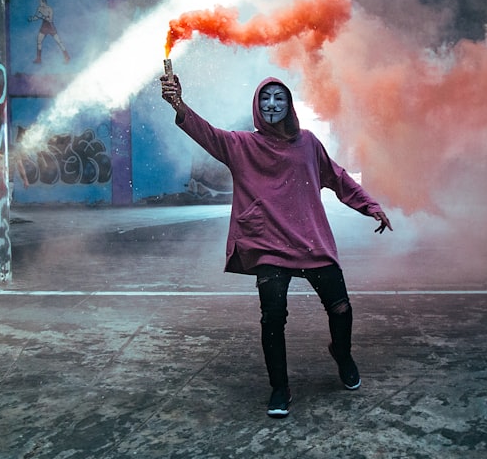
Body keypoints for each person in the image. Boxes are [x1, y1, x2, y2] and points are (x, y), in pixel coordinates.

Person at [161, 70, 392, 418]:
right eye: (265, 98)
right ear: (257, 106)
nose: (272, 104)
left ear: (288, 105)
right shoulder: (242, 145)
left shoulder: (309, 143)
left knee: (341, 309)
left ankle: (342, 355)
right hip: (268, 244)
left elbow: (338, 178)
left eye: (278, 97)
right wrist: (178, 103)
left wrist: (369, 205)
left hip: (311, 240)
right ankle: (279, 388)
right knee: (272, 317)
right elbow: (205, 133)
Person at [28, 0, 69, 64]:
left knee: (59, 42)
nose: (39, 3)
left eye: (40, 2)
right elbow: (36, 16)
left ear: (44, 2)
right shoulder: (39, 8)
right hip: (44, 26)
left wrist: (42, 16)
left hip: (50, 26)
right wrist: (32, 19)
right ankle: (39, 59)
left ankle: (67, 56)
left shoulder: (49, 9)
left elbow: (50, 19)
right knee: (39, 41)